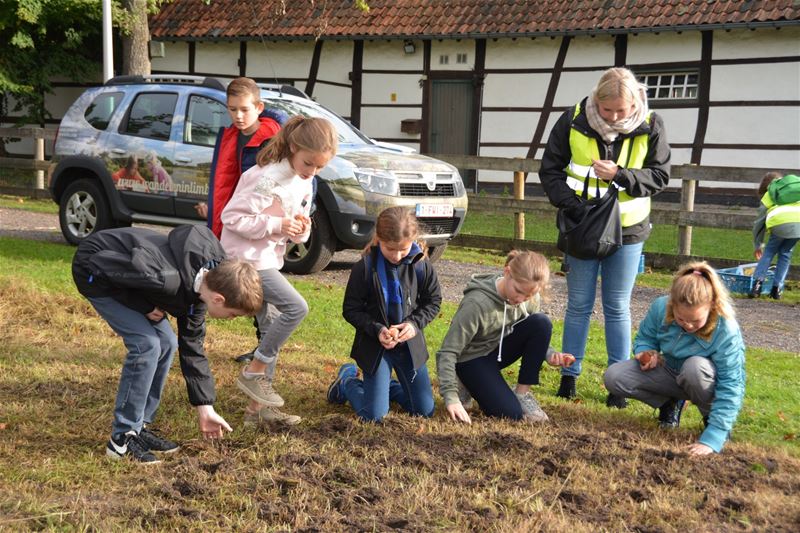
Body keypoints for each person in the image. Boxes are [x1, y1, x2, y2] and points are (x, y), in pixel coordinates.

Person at [72, 225, 263, 464]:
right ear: (219, 299)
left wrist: (205, 408)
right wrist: (143, 306)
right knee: (147, 344)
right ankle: (122, 439)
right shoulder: (163, 278)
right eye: (233, 314)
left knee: (168, 342)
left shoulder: (207, 280)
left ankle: (139, 427)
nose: (231, 319)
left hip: (132, 276)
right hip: (94, 269)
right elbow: (99, 267)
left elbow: (192, 347)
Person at [539, 66, 671, 407]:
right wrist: (572, 205)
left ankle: (619, 384)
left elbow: (660, 175)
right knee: (578, 306)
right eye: (607, 109)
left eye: (621, 111)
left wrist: (622, 175)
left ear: (634, 104)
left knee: (616, 306)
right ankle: (569, 377)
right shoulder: (572, 120)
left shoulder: (651, 124)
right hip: (582, 225)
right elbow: (550, 170)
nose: (613, 117)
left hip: (628, 229)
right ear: (596, 101)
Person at [221, 116, 338, 428]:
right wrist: (277, 225)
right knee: (296, 307)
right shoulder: (267, 178)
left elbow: (293, 225)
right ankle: (254, 369)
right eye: (309, 163)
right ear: (294, 147)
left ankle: (256, 412)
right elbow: (231, 217)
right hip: (245, 261)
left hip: (268, 259)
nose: (312, 172)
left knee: (272, 323)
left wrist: (300, 230)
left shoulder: (304, 180)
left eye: (319, 168)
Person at [604, 262, 746, 456]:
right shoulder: (661, 306)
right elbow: (646, 337)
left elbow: (732, 384)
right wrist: (645, 352)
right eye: (680, 319)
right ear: (672, 304)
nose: (687, 325)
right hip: (669, 370)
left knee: (694, 367)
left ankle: (712, 423)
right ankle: (669, 403)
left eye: (695, 321)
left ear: (712, 306)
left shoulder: (726, 329)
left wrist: (716, 435)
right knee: (614, 377)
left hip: (701, 377)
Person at [194, 76, 283, 364]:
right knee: (244, 288)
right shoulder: (230, 136)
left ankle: (266, 354)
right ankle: (262, 347)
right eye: (232, 109)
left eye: (244, 109)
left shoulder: (271, 139)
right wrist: (214, 209)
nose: (238, 116)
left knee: (262, 292)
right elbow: (228, 184)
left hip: (259, 229)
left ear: (260, 107)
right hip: (232, 225)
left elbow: (274, 186)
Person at [327, 207, 442, 422]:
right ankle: (347, 382)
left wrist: (414, 325)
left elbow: (433, 302)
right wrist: (377, 329)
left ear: (413, 240)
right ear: (379, 239)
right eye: (391, 249)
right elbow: (350, 309)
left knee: (424, 411)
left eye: (404, 249)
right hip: (376, 347)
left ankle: (384, 388)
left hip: (409, 346)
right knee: (374, 416)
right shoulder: (364, 267)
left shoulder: (421, 265)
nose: (397, 256)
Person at [435, 250, 576, 424]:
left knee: (541, 322)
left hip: (498, 350)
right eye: (519, 291)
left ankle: (522, 394)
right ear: (507, 272)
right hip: (471, 358)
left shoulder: (528, 297)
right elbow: (447, 352)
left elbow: (533, 331)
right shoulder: (476, 304)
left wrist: (549, 354)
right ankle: (463, 383)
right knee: (510, 415)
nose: (522, 299)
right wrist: (451, 398)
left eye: (529, 295)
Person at [750, 172, 800, 299]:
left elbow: (759, 223)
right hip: (798, 224)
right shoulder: (795, 191)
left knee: (769, 252)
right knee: (785, 254)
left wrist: (758, 245)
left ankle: (757, 286)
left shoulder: (770, 193)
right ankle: (777, 290)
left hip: (779, 224)